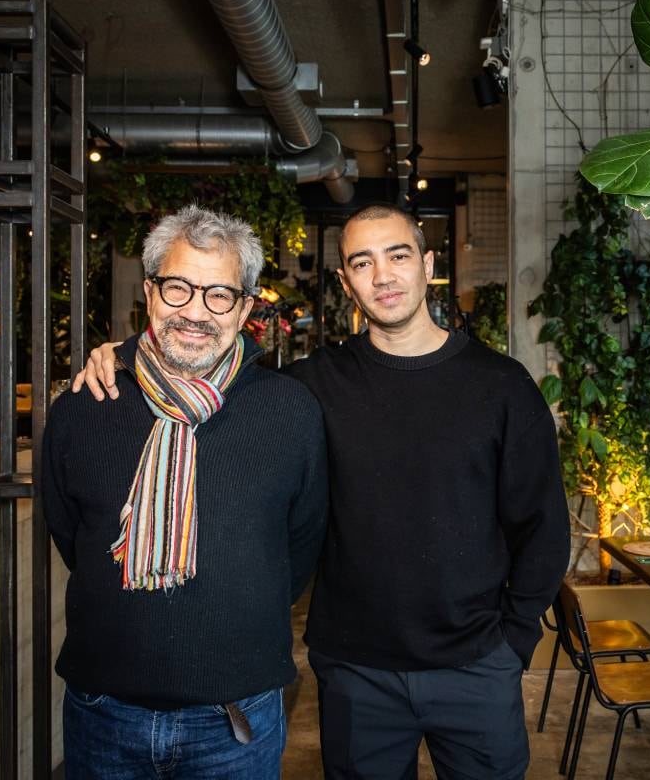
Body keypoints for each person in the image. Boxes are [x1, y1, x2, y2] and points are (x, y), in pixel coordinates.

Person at [76, 203, 571, 779]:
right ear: (345, 281)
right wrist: (126, 355)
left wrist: (511, 643)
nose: (382, 275)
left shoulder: (502, 386)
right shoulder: (310, 386)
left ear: (428, 264)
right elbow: (204, 361)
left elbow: (542, 528)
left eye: (398, 255)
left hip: (477, 666)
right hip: (356, 672)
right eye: (362, 262)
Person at [43, 205, 328, 779]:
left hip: (235, 720)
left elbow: (299, 549)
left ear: (245, 307)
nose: (195, 311)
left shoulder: (290, 410)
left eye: (219, 294)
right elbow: (72, 534)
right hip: (103, 713)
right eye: (178, 288)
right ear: (150, 294)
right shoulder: (85, 404)